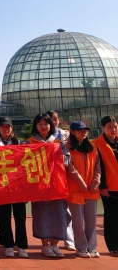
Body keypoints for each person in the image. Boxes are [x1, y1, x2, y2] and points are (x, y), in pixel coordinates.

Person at [27, 113, 69, 258]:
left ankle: (55, 244)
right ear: (35, 126)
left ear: (51, 125)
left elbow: (67, 159)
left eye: (46, 124)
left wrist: (58, 158)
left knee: (59, 213)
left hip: (56, 183)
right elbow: (23, 161)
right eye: (40, 124)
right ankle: (45, 245)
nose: (43, 126)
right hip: (39, 184)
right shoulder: (29, 142)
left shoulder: (57, 142)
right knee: (41, 213)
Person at [0, 117, 28, 258]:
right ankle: (8, 245)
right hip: (1, 186)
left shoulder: (19, 144)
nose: (5, 129)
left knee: (20, 217)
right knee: (3, 216)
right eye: (3, 126)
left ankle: (21, 246)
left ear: (12, 128)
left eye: (8, 126)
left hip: (18, 186)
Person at [66, 121, 100, 258]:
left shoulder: (92, 147)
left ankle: (92, 247)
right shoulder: (67, 148)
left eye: (85, 130)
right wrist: (82, 185)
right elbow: (70, 168)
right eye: (80, 130)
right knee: (78, 221)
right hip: (76, 190)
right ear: (72, 132)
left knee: (91, 220)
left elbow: (97, 167)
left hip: (91, 190)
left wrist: (95, 182)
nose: (83, 132)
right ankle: (81, 247)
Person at [47, 109, 75, 251]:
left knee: (67, 211)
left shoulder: (66, 135)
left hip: (65, 176)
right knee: (51, 210)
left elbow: (72, 152)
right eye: (50, 119)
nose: (53, 122)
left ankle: (68, 239)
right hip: (48, 179)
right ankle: (51, 239)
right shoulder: (41, 137)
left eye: (55, 119)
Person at [92, 115, 118, 256]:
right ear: (102, 128)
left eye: (115, 127)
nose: (113, 129)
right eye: (109, 127)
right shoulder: (97, 144)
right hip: (109, 186)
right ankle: (113, 246)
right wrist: (102, 186)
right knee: (111, 217)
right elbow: (98, 167)